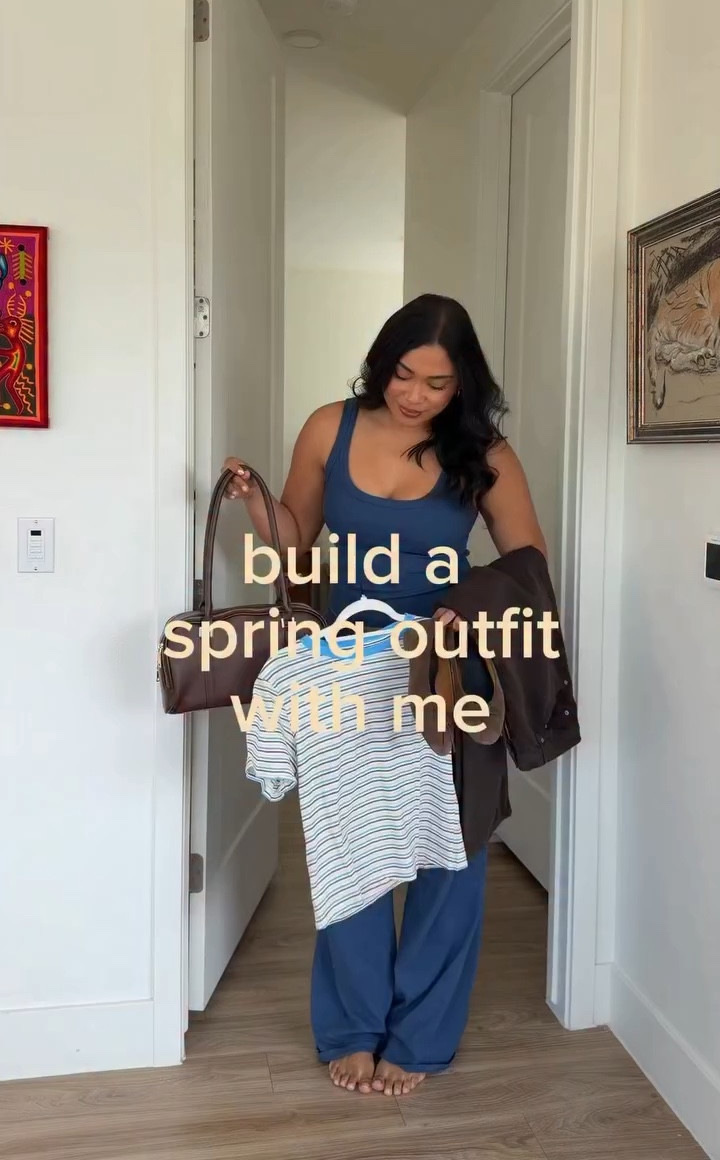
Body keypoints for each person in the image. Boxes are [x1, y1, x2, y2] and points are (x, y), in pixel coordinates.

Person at [223, 293, 547, 1097]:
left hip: (448, 671)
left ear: (462, 384)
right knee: (350, 847)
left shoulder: (485, 451)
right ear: (381, 364)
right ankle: (352, 1026)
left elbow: (528, 564)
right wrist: (257, 504)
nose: (415, 396)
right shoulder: (327, 428)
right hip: (346, 671)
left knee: (451, 854)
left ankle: (421, 1036)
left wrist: (465, 604)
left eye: (438, 383)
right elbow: (295, 542)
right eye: (404, 375)